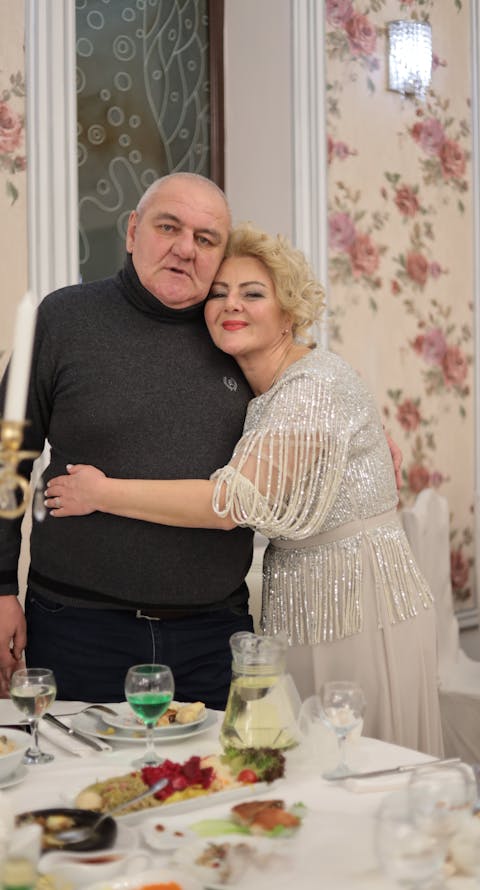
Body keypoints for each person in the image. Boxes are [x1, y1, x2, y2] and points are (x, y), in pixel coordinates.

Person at [45, 223, 444, 756]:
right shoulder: (266, 389)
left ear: (289, 311)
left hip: (357, 606)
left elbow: (230, 504)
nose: (231, 305)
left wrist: (101, 493)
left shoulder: (311, 387)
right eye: (219, 293)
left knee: (361, 767)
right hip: (303, 605)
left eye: (253, 294)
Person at [0, 173, 255, 708]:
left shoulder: (241, 335)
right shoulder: (64, 318)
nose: (186, 249)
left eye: (206, 239)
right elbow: (8, 460)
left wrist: (360, 436)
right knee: (72, 788)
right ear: (133, 231)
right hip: (77, 629)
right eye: (169, 227)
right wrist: (0, 588)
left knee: (215, 787)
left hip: (212, 636)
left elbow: (310, 396)